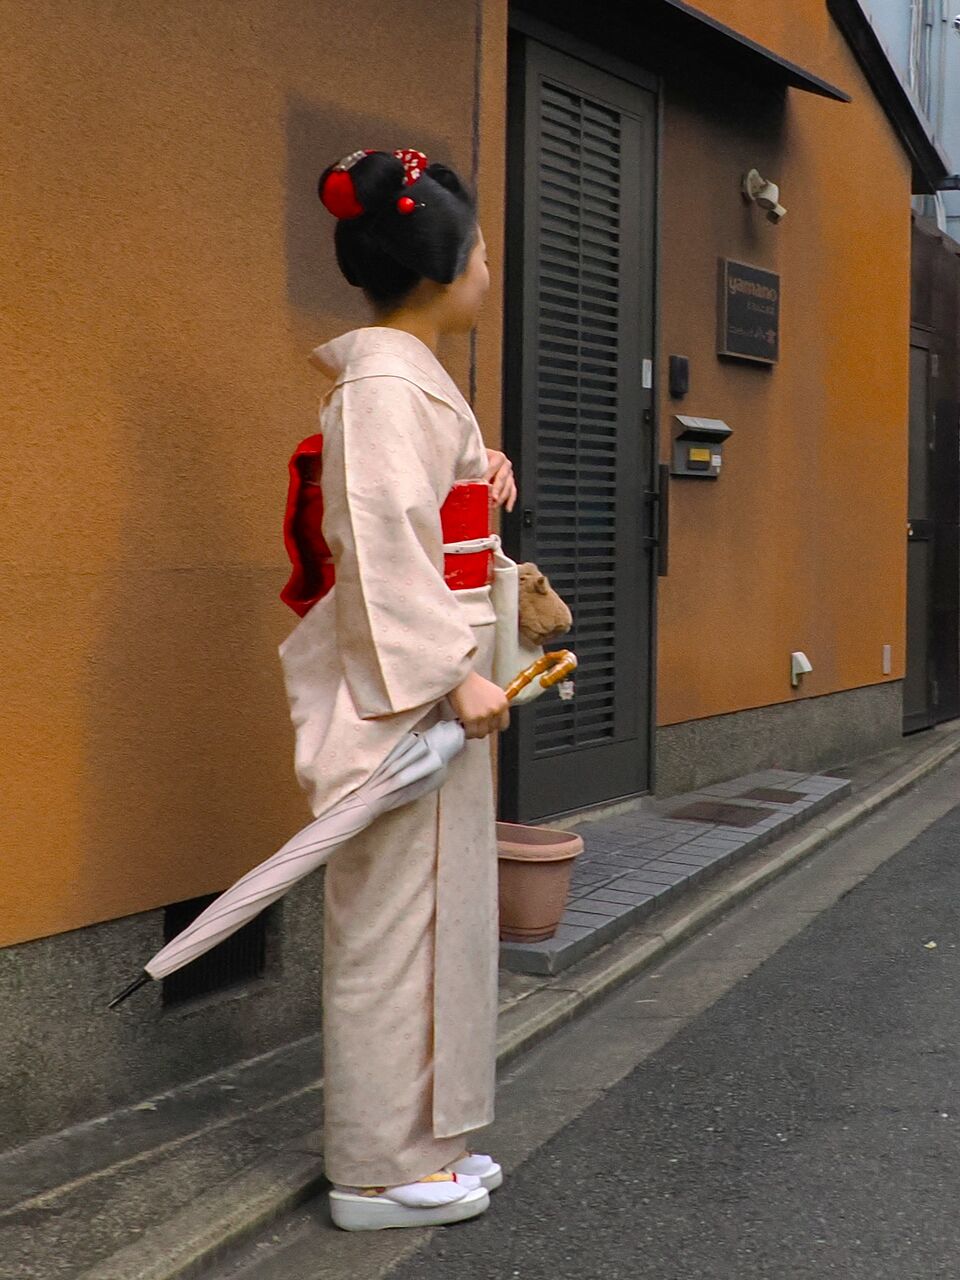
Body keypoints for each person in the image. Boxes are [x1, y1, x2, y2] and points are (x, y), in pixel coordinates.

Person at [277, 148, 517, 1232]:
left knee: (436, 919)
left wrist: (481, 473)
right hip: (408, 693)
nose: (488, 273)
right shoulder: (384, 386)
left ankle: (427, 1141)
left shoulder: (409, 380)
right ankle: (373, 1169)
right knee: (389, 927)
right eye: (482, 255)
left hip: (433, 681)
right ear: (441, 269)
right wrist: (452, 674)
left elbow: (426, 517)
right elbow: (376, 548)